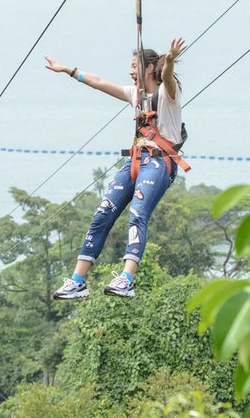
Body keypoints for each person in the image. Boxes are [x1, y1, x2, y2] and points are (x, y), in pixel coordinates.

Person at [44, 38, 188, 299]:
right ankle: (78, 281)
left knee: (138, 213)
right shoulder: (135, 94)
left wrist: (171, 61)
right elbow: (99, 83)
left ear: (149, 68)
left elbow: (166, 76)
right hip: (135, 161)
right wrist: (68, 71)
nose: (131, 71)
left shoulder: (168, 93)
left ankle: (127, 278)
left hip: (159, 163)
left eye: (135, 66)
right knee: (103, 213)